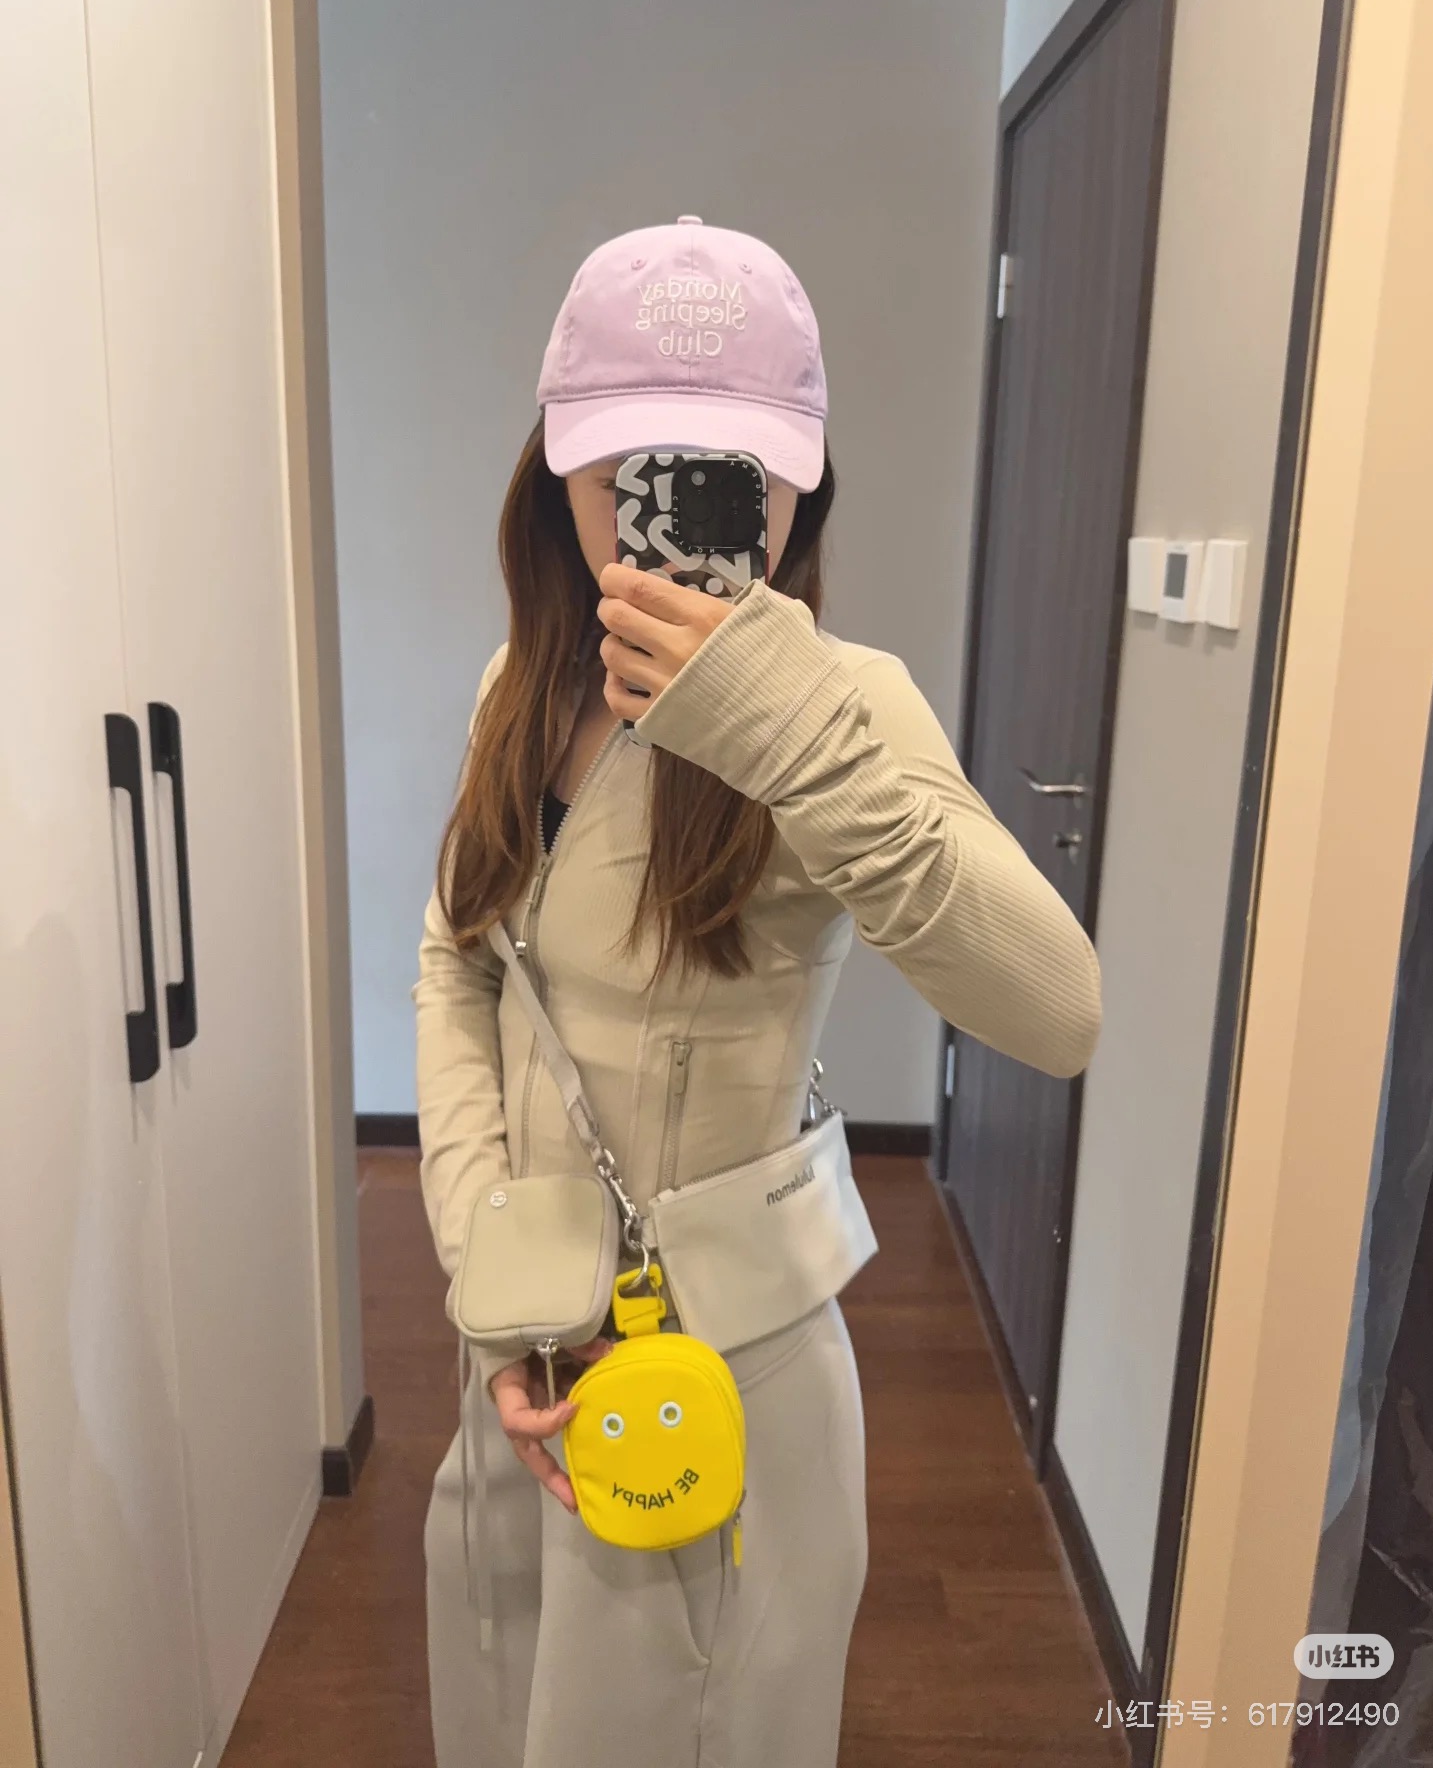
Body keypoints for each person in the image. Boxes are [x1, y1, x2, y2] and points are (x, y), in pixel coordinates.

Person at [412, 215, 1102, 1768]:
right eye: (633, 470)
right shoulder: (517, 691)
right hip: (522, 1358)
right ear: (558, 474)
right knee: (501, 1719)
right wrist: (488, 1275)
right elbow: (458, 971)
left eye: (732, 475)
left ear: (802, 486)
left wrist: (785, 737)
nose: (678, 513)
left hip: (717, 1382)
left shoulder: (847, 711)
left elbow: (1058, 1012)